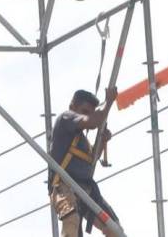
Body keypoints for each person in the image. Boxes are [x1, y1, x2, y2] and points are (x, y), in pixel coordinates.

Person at [49, 87, 122, 237]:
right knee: (72, 220)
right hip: (64, 187)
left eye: (90, 112)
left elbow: (90, 163)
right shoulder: (66, 119)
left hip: (85, 192)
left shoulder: (82, 141)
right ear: (73, 107)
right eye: (84, 110)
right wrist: (108, 103)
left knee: (115, 229)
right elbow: (92, 122)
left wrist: (102, 142)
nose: (86, 115)